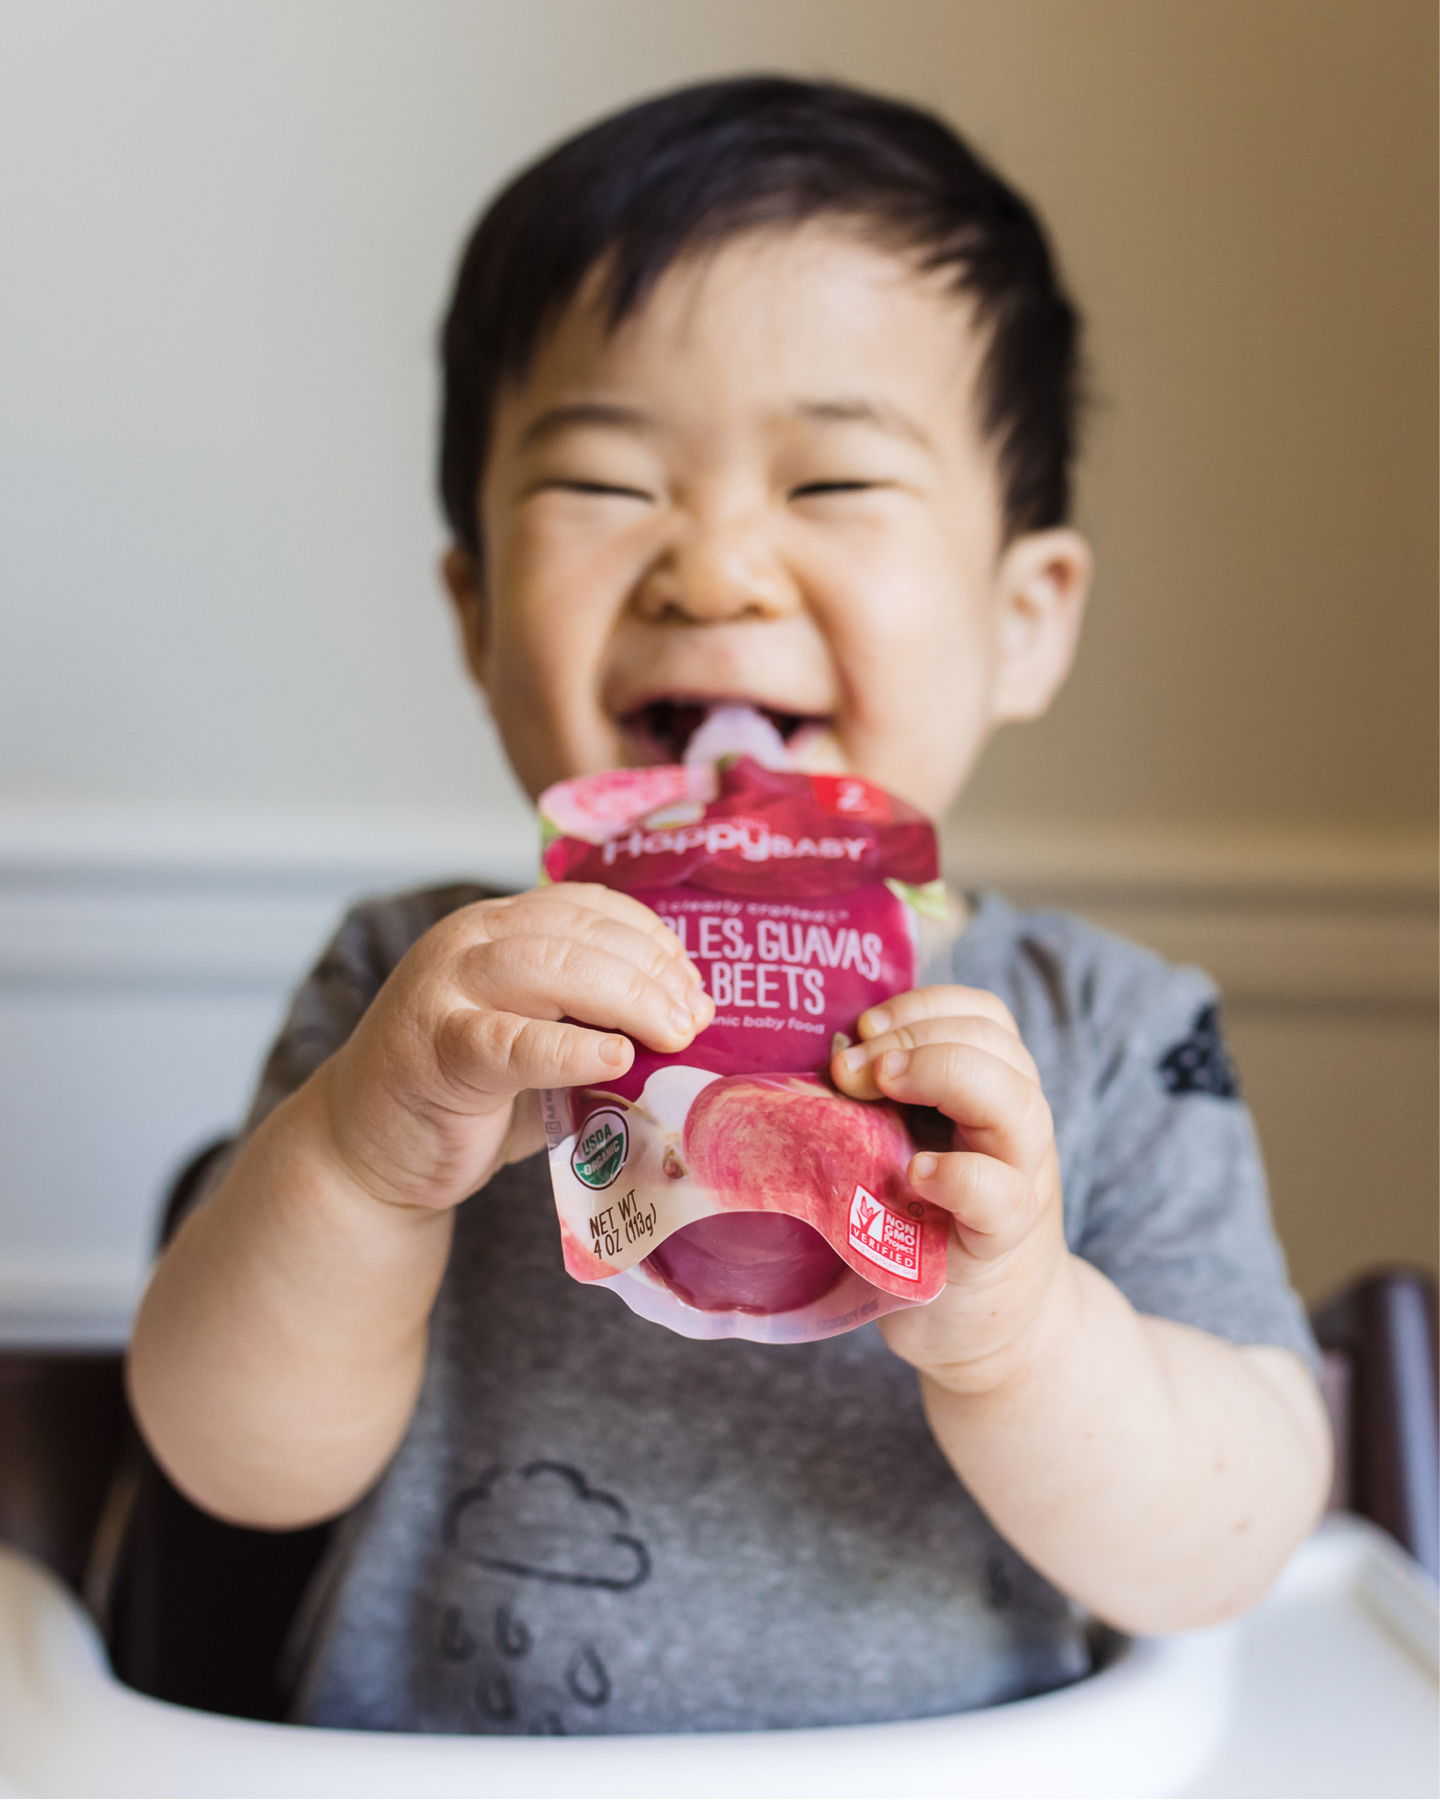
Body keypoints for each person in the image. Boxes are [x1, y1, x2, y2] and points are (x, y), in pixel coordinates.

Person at [126, 77, 1331, 1734]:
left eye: (831, 486)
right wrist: (362, 1156)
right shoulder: (419, 994)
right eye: (606, 485)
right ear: (476, 610)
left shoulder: (1110, 1031)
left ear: (1025, 616)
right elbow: (227, 1464)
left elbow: (1234, 1538)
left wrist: (1022, 1331)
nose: (714, 568)